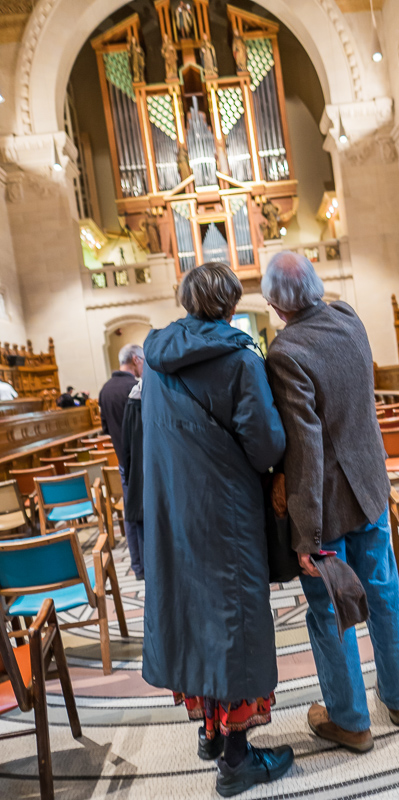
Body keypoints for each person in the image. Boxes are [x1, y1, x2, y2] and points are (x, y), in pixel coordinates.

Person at [142, 263, 293, 797]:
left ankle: (210, 732)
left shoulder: (155, 360)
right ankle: (236, 760)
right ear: (232, 305)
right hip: (227, 513)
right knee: (235, 625)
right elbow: (266, 445)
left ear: (186, 304)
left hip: (176, 512)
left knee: (196, 621)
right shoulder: (238, 359)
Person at [262, 252, 399, 753]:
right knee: (384, 593)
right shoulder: (349, 317)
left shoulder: (285, 353)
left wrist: (305, 535)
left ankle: (350, 721)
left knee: (330, 610)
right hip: (369, 488)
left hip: (326, 505)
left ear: (276, 306)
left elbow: (304, 450)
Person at [99, 343, 145, 580]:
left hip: (122, 461)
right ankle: (150, 564)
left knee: (131, 514)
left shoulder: (104, 390)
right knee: (146, 513)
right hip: (142, 463)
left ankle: (137, 565)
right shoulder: (136, 387)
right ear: (136, 359)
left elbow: (105, 428)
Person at [121, 379, 144, 570]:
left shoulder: (134, 398)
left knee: (141, 525)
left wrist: (129, 477)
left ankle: (141, 566)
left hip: (138, 475)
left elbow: (126, 448)